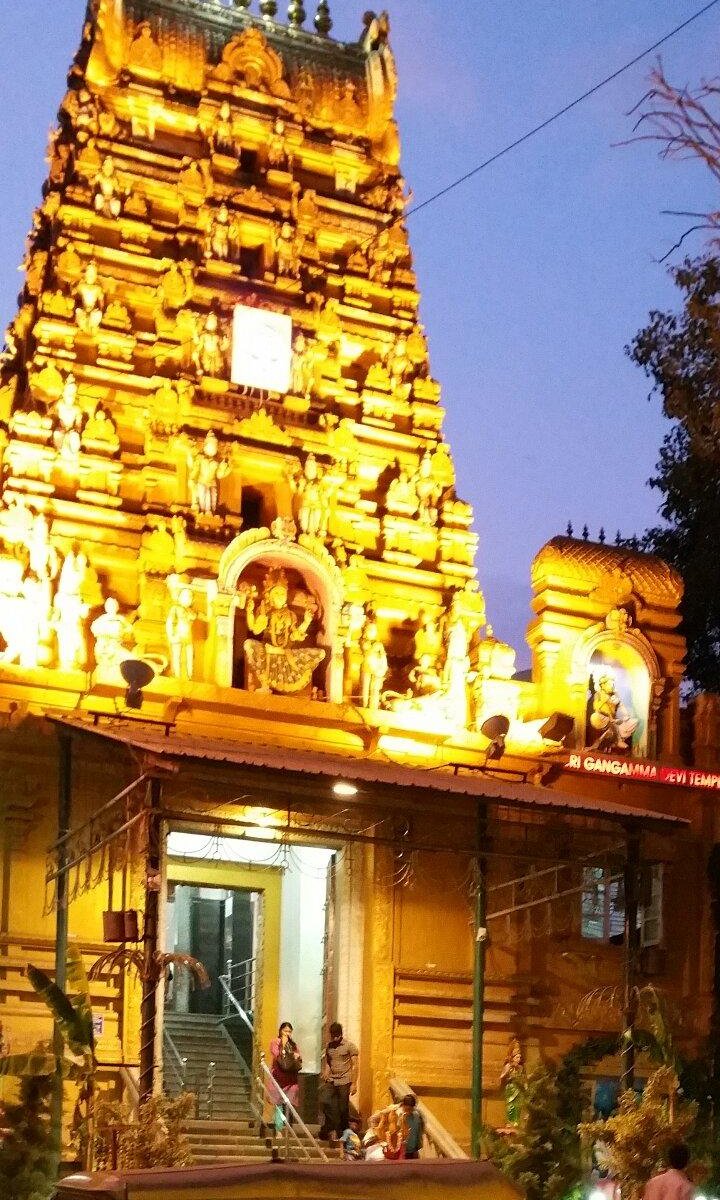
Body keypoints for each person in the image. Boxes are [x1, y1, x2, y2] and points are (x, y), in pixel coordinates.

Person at [320, 1022, 358, 1141]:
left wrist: (354, 1083)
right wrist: (326, 1071)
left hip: (345, 1080)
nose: (335, 1037)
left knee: (342, 1107)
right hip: (332, 1080)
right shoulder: (329, 1046)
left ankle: (343, 1130)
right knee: (325, 1101)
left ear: (341, 1034)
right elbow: (328, 1062)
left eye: (337, 1035)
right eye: (333, 1035)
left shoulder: (349, 1046)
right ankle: (332, 1128)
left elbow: (355, 1065)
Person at [269, 1021, 302, 1112]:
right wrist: (283, 1045)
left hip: (290, 1077)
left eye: (289, 1031)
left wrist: (296, 1056)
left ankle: (288, 1123)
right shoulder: (275, 1042)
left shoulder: (293, 1044)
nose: (287, 1034)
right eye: (285, 1031)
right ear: (280, 1031)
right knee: (278, 1101)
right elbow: (276, 1054)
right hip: (278, 1075)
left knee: (290, 1101)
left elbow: (299, 1056)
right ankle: (279, 1124)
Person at [401, 1094, 424, 1160]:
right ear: (403, 1106)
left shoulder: (417, 1116)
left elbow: (419, 1131)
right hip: (401, 1152)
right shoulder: (399, 1116)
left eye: (410, 1108)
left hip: (413, 1151)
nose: (408, 1110)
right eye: (406, 1107)